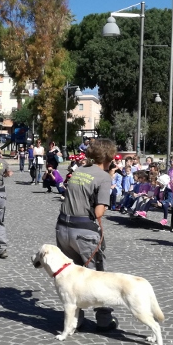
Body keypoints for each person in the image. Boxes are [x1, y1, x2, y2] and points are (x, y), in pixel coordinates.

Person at [56, 138, 117, 331]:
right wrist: (109, 179)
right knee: (97, 277)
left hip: (63, 228)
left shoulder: (79, 171)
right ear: (109, 157)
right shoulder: (104, 177)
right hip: (84, 232)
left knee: (72, 275)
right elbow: (99, 212)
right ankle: (104, 320)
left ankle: (75, 319)